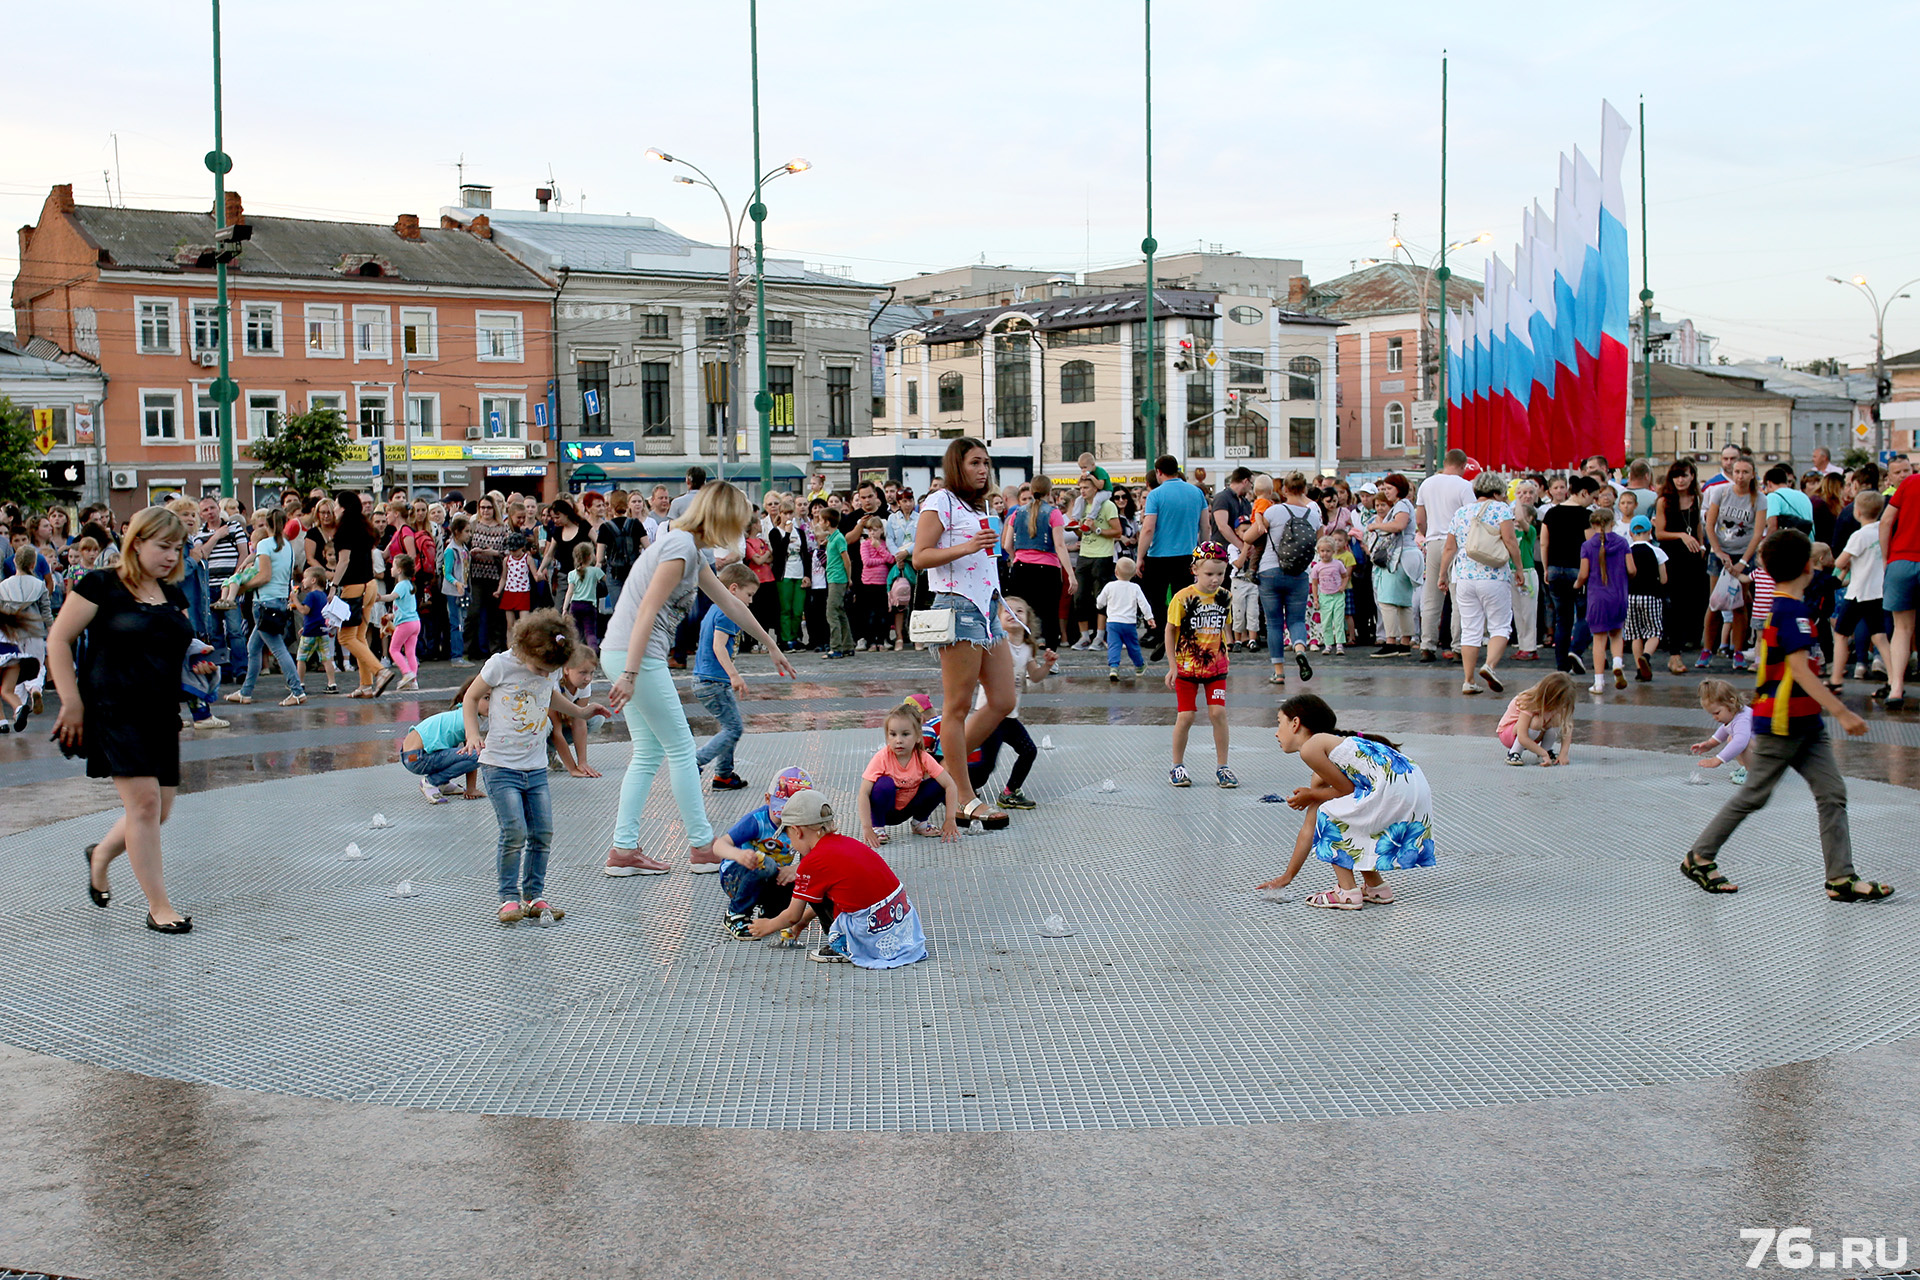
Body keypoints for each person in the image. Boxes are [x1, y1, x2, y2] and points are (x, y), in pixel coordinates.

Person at [1681, 530, 1891, 901]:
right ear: (1808, 567)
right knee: (1755, 794)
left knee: (1832, 793)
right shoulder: (1790, 611)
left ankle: (1840, 878)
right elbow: (1801, 671)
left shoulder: (1787, 608)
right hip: (1783, 724)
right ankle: (1700, 855)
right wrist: (1842, 713)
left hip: (1805, 722)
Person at [603, 483, 795, 877]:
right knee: (679, 748)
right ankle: (702, 845)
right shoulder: (679, 549)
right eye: (737, 524)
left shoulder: (692, 551)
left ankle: (624, 849)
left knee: (649, 752)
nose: (739, 533)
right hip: (636, 654)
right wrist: (630, 673)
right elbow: (646, 612)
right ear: (721, 518)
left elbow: (730, 602)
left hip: (627, 652)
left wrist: (769, 643)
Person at [50, 506, 203, 932]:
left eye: (178, 548)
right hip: (112, 708)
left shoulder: (173, 595)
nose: (172, 556)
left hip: (161, 710)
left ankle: (100, 855)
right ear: (137, 542)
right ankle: (160, 907)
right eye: (163, 546)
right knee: (145, 804)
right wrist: (70, 701)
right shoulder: (100, 584)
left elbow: (184, 643)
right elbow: (58, 639)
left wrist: (200, 658)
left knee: (160, 810)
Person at [463, 611, 609, 926]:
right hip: (500, 767)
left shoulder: (549, 670)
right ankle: (507, 898)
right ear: (528, 651)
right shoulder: (500, 665)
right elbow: (471, 698)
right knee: (514, 831)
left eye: (551, 671)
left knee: (542, 833)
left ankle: (533, 897)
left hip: (536, 768)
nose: (546, 675)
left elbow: (549, 695)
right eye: (542, 669)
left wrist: (580, 712)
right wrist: (473, 733)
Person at [912, 437, 1015, 830]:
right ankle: (963, 797)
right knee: (956, 707)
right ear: (957, 465)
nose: (982, 469)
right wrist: (969, 546)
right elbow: (921, 556)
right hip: (957, 606)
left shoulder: (979, 505)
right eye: (974, 462)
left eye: (986, 463)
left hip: (988, 607)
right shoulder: (940, 502)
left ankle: (940, 767)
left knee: (1003, 699)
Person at [1256, 694, 1435, 911]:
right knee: (1347, 816)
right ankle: (1376, 888)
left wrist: (1311, 795)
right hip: (1411, 785)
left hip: (1395, 787)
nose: (1276, 732)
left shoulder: (1311, 748)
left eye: (1279, 722)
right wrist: (1287, 876)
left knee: (1331, 813)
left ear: (1295, 723)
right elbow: (1310, 826)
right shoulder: (1332, 749)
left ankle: (1347, 892)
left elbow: (1344, 791)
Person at [744, 790, 929, 967]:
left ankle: (845, 945)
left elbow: (792, 916)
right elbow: (841, 893)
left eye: (790, 839)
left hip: (871, 934)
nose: (792, 845)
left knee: (808, 879)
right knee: (818, 886)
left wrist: (767, 925)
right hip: (901, 923)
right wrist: (805, 921)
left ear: (797, 831)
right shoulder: (846, 843)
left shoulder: (813, 861)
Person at [1438, 472, 1520, 696]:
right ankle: (1490, 666)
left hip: (1464, 576)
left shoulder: (1461, 512)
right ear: (1496, 492)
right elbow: (1510, 541)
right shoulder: (1501, 509)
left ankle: (1468, 680)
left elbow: (1449, 548)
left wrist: (1442, 574)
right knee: (1500, 626)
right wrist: (1519, 568)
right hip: (1493, 576)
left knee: (1471, 629)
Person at [712, 766, 816, 939]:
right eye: (782, 813)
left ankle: (770, 915)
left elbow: (814, 858)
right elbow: (718, 845)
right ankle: (735, 914)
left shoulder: (804, 826)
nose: (786, 821)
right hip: (738, 876)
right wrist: (739, 855)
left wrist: (797, 868)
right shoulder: (757, 821)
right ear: (768, 799)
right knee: (765, 864)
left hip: (773, 877)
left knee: (802, 875)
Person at [1165, 542, 1236, 789]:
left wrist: (1229, 647)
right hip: (1187, 668)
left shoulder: (1225, 596)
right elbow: (1170, 630)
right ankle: (1177, 765)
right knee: (1186, 716)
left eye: (1220, 574)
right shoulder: (1182, 598)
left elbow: (1224, 625)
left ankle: (1223, 766)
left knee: (1218, 713)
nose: (1215, 579)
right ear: (1194, 569)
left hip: (1216, 668)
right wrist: (1172, 666)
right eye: (1209, 574)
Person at [857, 697, 962, 844]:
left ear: (918, 737)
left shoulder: (922, 757)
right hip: (886, 811)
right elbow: (863, 792)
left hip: (908, 807)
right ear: (887, 737)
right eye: (893, 734)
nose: (898, 740)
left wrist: (950, 819)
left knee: (937, 783)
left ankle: (919, 823)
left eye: (905, 734)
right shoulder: (882, 757)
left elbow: (950, 785)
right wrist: (867, 827)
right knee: (884, 783)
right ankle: (878, 828)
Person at [693, 562, 760, 791]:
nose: (750, 601)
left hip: (708, 680)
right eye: (749, 594)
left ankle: (723, 775)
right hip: (713, 681)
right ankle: (695, 762)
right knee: (734, 729)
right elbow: (718, 646)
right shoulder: (727, 611)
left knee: (729, 726)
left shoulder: (715, 609)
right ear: (733, 589)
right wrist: (734, 675)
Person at [229, 509, 306, 706]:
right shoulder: (287, 546)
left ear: (267, 525)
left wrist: (243, 587)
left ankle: (296, 690)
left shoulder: (264, 544)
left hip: (264, 601)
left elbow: (264, 576)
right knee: (253, 647)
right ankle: (246, 692)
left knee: (277, 648)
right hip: (279, 600)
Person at [1251, 471, 1321, 685]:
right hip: (1299, 574)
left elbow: (1249, 536)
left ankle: (1279, 672)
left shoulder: (1274, 511)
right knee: (1297, 619)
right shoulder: (1314, 516)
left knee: (1273, 623)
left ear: (1284, 490)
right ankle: (1300, 649)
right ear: (1304, 489)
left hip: (1270, 571)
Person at [1138, 455, 1208, 659]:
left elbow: (1148, 528)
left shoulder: (1155, 495)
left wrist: (1140, 557)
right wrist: (1203, 552)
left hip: (1159, 555)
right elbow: (1205, 525)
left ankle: (1163, 634)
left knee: (1156, 599)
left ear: (1158, 472)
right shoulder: (1196, 492)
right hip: (1187, 555)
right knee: (1184, 598)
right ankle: (1183, 636)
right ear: (1177, 470)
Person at [1002, 474, 1074, 653]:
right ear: (1049, 492)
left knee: (1021, 614)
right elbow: (1059, 545)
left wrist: (1016, 557)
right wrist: (1070, 575)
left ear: (1031, 491)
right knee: (1050, 615)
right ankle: (1051, 656)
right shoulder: (1053, 513)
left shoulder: (1017, 512)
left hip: (1021, 569)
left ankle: (1024, 656)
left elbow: (1007, 544)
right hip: (1047, 570)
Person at [1416, 449, 1476, 661]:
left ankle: (1427, 645)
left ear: (1444, 462)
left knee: (1431, 596)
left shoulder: (1427, 484)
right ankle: (1458, 646)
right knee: (1459, 596)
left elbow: (1420, 518)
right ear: (1463, 465)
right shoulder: (1464, 486)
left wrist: (1428, 534)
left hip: (1433, 541)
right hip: (1458, 544)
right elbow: (1471, 518)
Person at [1703, 457, 1761, 667]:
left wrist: (1743, 562)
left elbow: (1757, 533)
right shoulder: (1721, 492)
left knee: (1740, 603)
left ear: (1752, 474)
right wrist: (1718, 551)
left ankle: (1738, 651)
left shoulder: (1759, 498)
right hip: (1720, 553)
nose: (1740, 476)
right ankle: (1707, 649)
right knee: (1715, 602)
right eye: (1737, 471)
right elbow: (1710, 525)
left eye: (1745, 472)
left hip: (1743, 554)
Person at [1833, 490, 1892, 695]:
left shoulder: (1858, 535)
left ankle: (1836, 678)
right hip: (1878, 591)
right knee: (1880, 636)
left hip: (1858, 592)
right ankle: (1894, 679)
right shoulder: (1882, 531)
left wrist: (1846, 564)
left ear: (1857, 512)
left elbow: (1840, 562)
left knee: (1841, 634)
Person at [327, 490, 384, 698]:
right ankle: (366, 685)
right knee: (360, 637)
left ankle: (381, 671)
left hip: (354, 587)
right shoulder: (364, 527)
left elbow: (344, 561)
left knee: (346, 637)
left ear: (343, 507)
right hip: (370, 585)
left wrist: (333, 585)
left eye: (335, 505)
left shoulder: (343, 531)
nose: (334, 509)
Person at [1656, 461, 1707, 676]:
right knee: (1674, 606)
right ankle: (1674, 654)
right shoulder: (1665, 501)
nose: (1680, 480)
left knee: (1694, 603)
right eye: (1676, 476)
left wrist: (1701, 543)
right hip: (1672, 556)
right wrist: (1682, 536)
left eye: (1684, 475)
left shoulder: (1697, 499)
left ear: (1692, 476)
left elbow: (1697, 526)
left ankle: (1689, 643)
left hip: (1693, 557)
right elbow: (1659, 533)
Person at [1540, 477, 1596, 675]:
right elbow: (1591, 546)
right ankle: (1576, 651)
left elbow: (1544, 543)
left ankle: (1561, 664)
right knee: (1585, 614)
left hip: (1555, 569)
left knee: (1562, 619)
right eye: (1592, 496)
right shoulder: (1586, 515)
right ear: (1583, 493)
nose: (1593, 501)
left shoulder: (1551, 513)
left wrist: (1547, 568)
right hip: (1577, 569)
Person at [1875, 462, 1920, 711]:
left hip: (1901, 561)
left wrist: (1886, 557)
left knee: (1902, 629)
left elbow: (1886, 522)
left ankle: (1896, 688)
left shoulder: (1910, 483)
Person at [403, 676, 486, 804]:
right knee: (480, 754)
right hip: (417, 757)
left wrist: (471, 789)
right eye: (487, 698)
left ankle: (443, 783)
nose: (492, 704)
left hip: (409, 756)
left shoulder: (459, 714)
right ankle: (432, 782)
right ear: (471, 698)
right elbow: (474, 754)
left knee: (469, 753)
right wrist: (471, 789)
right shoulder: (467, 719)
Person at [1576, 507, 1632, 694]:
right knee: (1616, 633)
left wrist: (1577, 584)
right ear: (1612, 523)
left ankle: (1599, 683)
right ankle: (1617, 662)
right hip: (1618, 595)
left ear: (1593, 525)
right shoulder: (1623, 542)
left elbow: (1583, 573)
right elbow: (1632, 569)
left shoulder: (1587, 546)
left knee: (1599, 640)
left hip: (1597, 597)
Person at [1363, 477, 1418, 656]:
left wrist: (1377, 526)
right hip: (1408, 554)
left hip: (1399, 555)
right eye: (1384, 488)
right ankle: (1404, 642)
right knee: (1403, 601)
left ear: (1398, 488)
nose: (1386, 491)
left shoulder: (1401, 505)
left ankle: (1391, 641)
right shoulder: (1406, 504)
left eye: (1389, 488)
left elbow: (1399, 525)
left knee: (1387, 600)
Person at [1070, 475, 1120, 653]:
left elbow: (1117, 531)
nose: (1083, 491)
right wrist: (1077, 528)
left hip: (1102, 555)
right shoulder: (1082, 505)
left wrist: (1096, 529)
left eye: (1086, 488)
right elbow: (1080, 534)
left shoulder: (1107, 505)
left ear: (1096, 489)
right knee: (1080, 596)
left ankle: (1099, 636)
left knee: (1101, 597)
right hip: (1084, 554)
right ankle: (1084, 636)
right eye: (1081, 488)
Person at [546, 645, 606, 779]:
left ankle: (549, 751)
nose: (588, 678)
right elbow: (556, 732)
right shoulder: (553, 683)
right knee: (547, 726)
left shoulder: (584, 685)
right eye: (583, 672)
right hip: (543, 726)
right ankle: (545, 750)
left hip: (563, 721)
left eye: (591, 673)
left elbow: (580, 721)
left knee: (596, 718)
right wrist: (572, 768)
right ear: (566, 669)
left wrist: (582, 763)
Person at [1498, 671, 1577, 766]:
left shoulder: (1558, 705)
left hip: (1533, 735)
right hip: (1510, 735)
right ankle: (1514, 752)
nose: (1561, 707)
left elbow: (1567, 727)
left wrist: (1563, 754)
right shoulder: (1529, 701)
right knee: (1537, 721)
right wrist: (1542, 752)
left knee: (1557, 719)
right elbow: (1522, 737)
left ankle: (1546, 751)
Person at [1624, 516, 1669, 682]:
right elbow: (1664, 579)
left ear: (1630, 532)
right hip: (1651, 596)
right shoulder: (1657, 551)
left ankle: (1639, 669)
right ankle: (1646, 656)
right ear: (1650, 531)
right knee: (1654, 631)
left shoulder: (1627, 551)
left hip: (1630, 596)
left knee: (1635, 634)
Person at [1689, 678, 1753, 786]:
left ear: (1731, 702)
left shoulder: (1743, 719)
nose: (1715, 717)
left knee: (1739, 742)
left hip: (1769, 754)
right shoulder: (1734, 714)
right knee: (1731, 738)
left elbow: (1740, 742)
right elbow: (1725, 729)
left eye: (1717, 713)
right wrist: (1710, 744)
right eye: (1712, 714)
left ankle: (1754, 774)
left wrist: (1718, 760)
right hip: (1762, 751)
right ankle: (1748, 768)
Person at [375, 554, 422, 693]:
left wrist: (379, 598)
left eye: (393, 566)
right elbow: (405, 608)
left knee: (393, 649)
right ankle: (413, 681)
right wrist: (392, 616)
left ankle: (407, 673)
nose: (391, 568)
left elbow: (391, 597)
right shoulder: (409, 585)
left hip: (405, 624)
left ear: (400, 570)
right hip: (415, 622)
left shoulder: (400, 585)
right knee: (410, 652)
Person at [814, 501, 854, 659]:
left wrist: (848, 578)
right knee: (840, 612)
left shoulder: (838, 539)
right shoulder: (833, 538)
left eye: (821, 520)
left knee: (831, 613)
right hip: (834, 577)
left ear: (827, 522)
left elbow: (847, 560)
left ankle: (836, 647)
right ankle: (847, 645)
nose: (819, 523)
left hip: (837, 578)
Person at [292, 566, 338, 695]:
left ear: (313, 580)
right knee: (326, 658)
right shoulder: (323, 595)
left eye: (305, 578)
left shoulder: (311, 596)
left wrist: (295, 599)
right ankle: (332, 683)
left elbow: (304, 611)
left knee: (301, 658)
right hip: (322, 631)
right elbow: (317, 615)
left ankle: (299, 683)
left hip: (310, 633)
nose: (303, 581)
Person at [1309, 532, 1350, 655]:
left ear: (1333, 551)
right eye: (1322, 551)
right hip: (1325, 596)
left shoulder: (1338, 564)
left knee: (1338, 620)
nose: (1325, 554)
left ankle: (1339, 644)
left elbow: (1345, 576)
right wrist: (1315, 599)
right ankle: (1328, 644)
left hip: (1337, 595)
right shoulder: (1317, 567)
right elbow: (1315, 584)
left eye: (1327, 551)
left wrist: (1343, 586)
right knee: (1326, 621)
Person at [1510, 500, 1541, 660]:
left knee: (1528, 612)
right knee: (1518, 611)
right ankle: (1523, 645)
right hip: (1513, 573)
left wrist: (1518, 499)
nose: (1515, 520)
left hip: (1527, 573)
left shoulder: (1530, 532)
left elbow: (1521, 519)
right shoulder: (1511, 533)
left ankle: (1530, 646)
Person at [441, 514, 472, 667]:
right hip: (453, 592)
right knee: (456, 622)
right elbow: (447, 572)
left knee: (462, 620)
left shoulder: (463, 548)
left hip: (463, 589)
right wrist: (457, 583)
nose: (469, 535)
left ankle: (459, 654)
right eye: (466, 531)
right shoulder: (450, 550)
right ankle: (456, 656)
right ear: (457, 532)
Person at [564, 542, 605, 650]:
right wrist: (599, 566)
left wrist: (564, 608)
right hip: (589, 606)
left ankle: (575, 654)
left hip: (575, 605)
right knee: (590, 632)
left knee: (576, 633)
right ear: (589, 556)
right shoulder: (596, 571)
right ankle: (594, 651)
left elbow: (569, 592)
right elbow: (607, 581)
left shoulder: (572, 574)